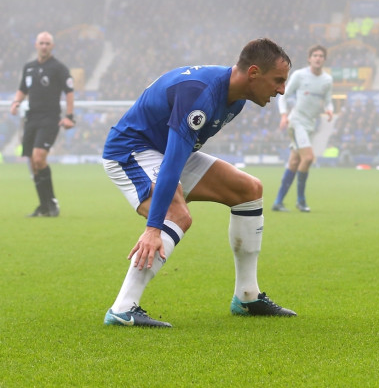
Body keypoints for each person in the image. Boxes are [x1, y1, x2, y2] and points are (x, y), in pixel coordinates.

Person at [102, 38, 297, 328]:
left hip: (167, 150)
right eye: (278, 81)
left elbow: (177, 153)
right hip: (131, 152)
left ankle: (247, 296)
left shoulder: (238, 98)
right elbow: (170, 164)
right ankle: (123, 308)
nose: (281, 90)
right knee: (176, 214)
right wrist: (153, 228)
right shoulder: (200, 95)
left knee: (248, 190)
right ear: (253, 73)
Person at [9, 31, 75, 217]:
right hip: (31, 119)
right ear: (36, 45)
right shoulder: (29, 67)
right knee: (32, 162)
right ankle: (43, 206)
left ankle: (52, 203)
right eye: (41, 43)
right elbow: (23, 89)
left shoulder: (59, 68)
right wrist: (16, 102)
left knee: (39, 157)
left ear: (52, 46)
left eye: (47, 43)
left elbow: (69, 92)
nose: (44, 46)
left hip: (50, 118)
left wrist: (69, 116)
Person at [272, 44, 334, 212]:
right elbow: (283, 95)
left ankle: (278, 202)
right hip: (296, 122)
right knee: (307, 158)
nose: (318, 58)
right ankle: (301, 200)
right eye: (315, 55)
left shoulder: (327, 80)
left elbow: (328, 100)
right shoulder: (300, 75)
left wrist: (330, 110)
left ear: (324, 59)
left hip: (310, 125)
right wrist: (284, 115)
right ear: (309, 58)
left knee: (294, 161)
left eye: (321, 55)